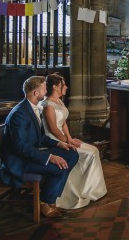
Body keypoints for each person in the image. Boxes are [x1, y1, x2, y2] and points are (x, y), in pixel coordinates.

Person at [0, 76, 79, 218]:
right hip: (19, 160)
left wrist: (59, 143)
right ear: (36, 93)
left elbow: (39, 137)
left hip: (30, 153)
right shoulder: (19, 114)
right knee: (60, 168)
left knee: (72, 154)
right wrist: (49, 157)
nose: (46, 91)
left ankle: (48, 198)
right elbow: (21, 148)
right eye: (44, 89)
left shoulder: (32, 107)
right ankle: (46, 203)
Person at [40, 73, 107, 209]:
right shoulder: (47, 105)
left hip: (64, 137)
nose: (66, 87)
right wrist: (66, 141)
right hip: (54, 140)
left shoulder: (59, 101)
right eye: (63, 85)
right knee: (88, 154)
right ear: (55, 87)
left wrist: (70, 138)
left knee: (94, 150)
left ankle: (90, 189)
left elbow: (63, 123)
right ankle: (72, 191)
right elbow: (53, 129)